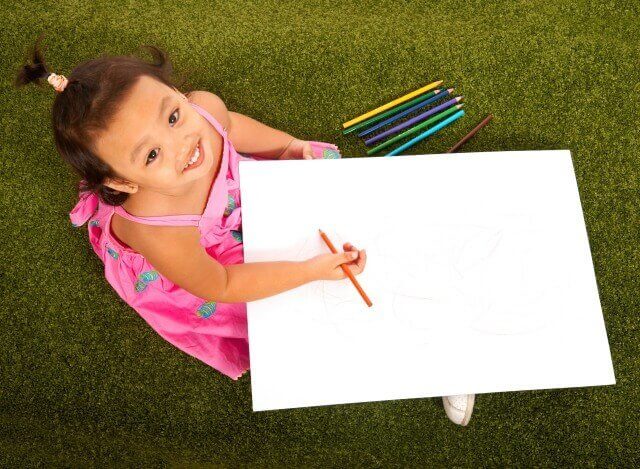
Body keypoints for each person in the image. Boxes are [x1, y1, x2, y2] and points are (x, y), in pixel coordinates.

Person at [15, 33, 474, 426]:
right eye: (150, 155)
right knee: (306, 308)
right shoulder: (157, 232)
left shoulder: (203, 111)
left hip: (241, 202)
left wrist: (288, 147)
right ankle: (435, 357)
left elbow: (229, 129)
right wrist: (310, 271)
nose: (183, 145)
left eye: (173, 117)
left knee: (362, 217)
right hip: (205, 262)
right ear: (120, 182)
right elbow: (223, 283)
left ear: (177, 92)